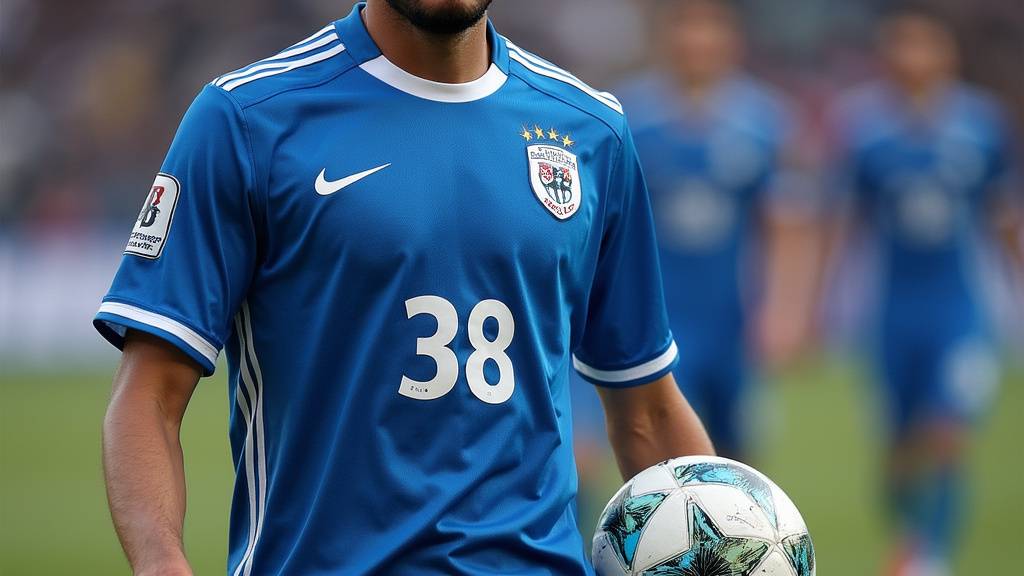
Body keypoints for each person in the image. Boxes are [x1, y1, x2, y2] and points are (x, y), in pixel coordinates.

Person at [93, 1, 714, 574]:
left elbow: (648, 408)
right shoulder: (246, 120)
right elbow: (149, 396)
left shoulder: (590, 131)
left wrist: (722, 540)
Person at [826, 6, 1021, 575]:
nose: (913, 59)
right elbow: (848, 223)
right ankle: (908, 537)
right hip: (891, 310)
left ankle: (930, 557)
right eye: (902, 47)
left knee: (947, 431)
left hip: (959, 308)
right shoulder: (863, 129)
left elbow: (1002, 215)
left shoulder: (982, 125)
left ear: (947, 56)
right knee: (899, 450)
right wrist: (825, 303)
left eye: (925, 47)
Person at [598, 0, 816, 461]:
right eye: (684, 24)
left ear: (731, 38)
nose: (696, 39)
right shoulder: (624, 116)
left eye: (709, 25)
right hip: (655, 320)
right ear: (663, 36)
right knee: (664, 452)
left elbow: (786, 224)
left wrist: (785, 310)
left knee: (737, 460)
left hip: (731, 321)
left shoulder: (764, 120)